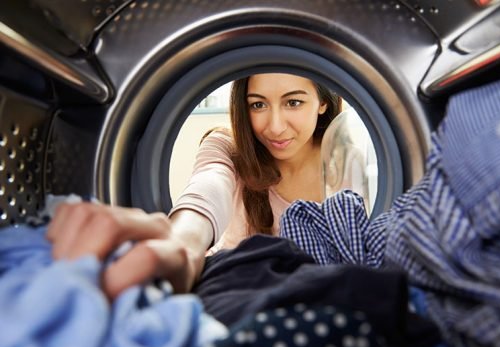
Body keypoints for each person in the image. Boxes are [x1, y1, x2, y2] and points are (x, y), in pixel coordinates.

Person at [47, 73, 341, 300]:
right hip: (235, 292)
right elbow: (207, 187)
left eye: (293, 102)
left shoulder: (348, 158)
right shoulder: (226, 146)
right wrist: (182, 244)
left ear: (323, 102)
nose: (275, 126)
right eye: (258, 104)